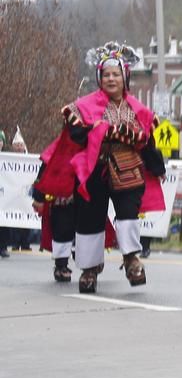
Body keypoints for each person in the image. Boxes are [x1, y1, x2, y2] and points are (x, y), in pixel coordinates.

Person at [34, 42, 166, 293]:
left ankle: (131, 258)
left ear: (125, 76)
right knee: (90, 220)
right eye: (106, 74)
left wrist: (157, 166)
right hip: (94, 168)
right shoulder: (84, 107)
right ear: (99, 78)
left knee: (128, 214)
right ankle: (89, 269)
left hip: (129, 168)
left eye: (116, 74)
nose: (111, 79)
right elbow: (75, 134)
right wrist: (97, 132)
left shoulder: (139, 111)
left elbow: (148, 141)